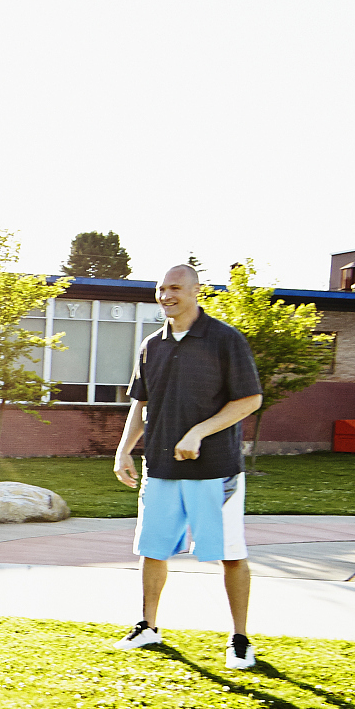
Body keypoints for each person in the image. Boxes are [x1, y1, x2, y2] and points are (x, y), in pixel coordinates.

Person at [110, 262, 265, 668]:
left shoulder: (225, 339)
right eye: (161, 289)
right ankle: (148, 626)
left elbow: (250, 399)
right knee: (152, 549)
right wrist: (124, 450)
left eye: (175, 288)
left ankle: (240, 639)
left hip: (215, 470)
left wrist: (199, 432)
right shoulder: (152, 345)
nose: (166, 296)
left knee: (230, 553)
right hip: (160, 467)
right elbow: (141, 403)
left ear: (197, 290)